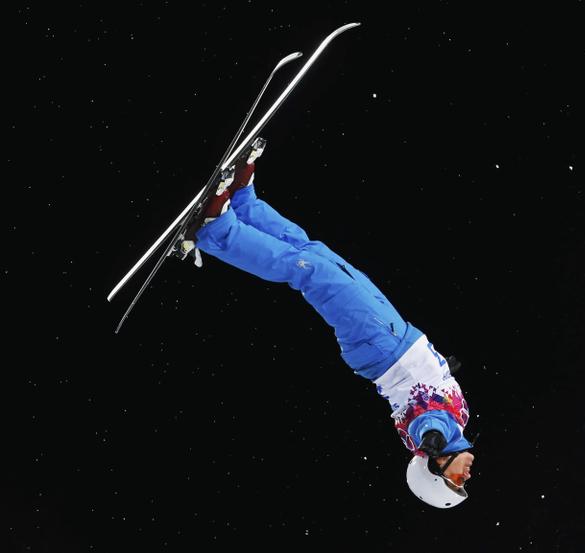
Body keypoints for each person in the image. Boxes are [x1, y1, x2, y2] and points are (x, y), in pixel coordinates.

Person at [183, 138, 475, 508]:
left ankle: (216, 231)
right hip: (397, 337)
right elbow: (428, 397)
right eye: (461, 482)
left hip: (382, 346)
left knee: (312, 272)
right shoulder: (457, 428)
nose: (464, 476)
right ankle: (243, 201)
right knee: (317, 255)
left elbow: (424, 420)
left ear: (435, 467)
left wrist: (430, 436)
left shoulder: (433, 436)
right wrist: (441, 368)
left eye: (453, 480)